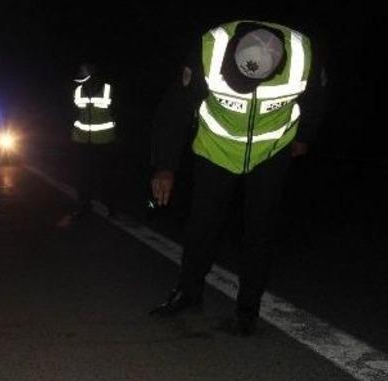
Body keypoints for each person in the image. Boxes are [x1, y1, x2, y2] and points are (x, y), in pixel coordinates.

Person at [148, 20, 325, 336]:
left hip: (271, 152)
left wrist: (304, 137)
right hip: (215, 149)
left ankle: (247, 312)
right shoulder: (210, 49)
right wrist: (165, 166)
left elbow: (314, 98)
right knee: (201, 225)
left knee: (260, 231)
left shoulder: (302, 55)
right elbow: (174, 109)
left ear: (277, 67)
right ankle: (188, 293)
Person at [69, 62, 118, 218]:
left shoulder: (108, 89)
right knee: (83, 175)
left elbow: (119, 111)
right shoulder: (77, 91)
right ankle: (84, 206)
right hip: (81, 141)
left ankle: (111, 206)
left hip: (104, 141)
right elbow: (72, 113)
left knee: (106, 176)